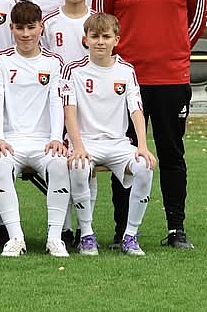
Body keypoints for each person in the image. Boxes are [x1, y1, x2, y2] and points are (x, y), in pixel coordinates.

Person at [93, 0, 207, 249]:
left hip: (171, 79)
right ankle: (123, 230)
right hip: (125, 83)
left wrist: (174, 51)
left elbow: (196, 21)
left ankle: (176, 229)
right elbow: (101, 23)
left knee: (171, 153)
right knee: (123, 155)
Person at [62, 13, 156, 256]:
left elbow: (136, 109)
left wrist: (142, 146)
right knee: (79, 166)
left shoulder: (126, 70)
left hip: (117, 144)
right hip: (86, 142)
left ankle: (130, 236)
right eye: (95, 36)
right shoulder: (74, 70)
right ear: (85, 39)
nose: (100, 42)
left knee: (144, 166)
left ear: (116, 40)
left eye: (106, 37)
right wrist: (78, 146)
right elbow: (69, 112)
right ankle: (86, 235)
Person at [0, 0, 70, 257]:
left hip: (44, 141)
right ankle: (15, 238)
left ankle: (55, 239)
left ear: (41, 27)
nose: (26, 34)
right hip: (11, 140)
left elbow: (57, 101)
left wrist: (56, 137)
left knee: (59, 164)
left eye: (31, 27)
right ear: (11, 28)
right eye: (20, 28)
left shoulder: (55, 62)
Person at [41, 0, 95, 247]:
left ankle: (85, 229)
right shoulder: (50, 21)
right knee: (60, 161)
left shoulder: (97, 20)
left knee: (86, 162)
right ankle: (63, 228)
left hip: (88, 100)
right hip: (56, 99)